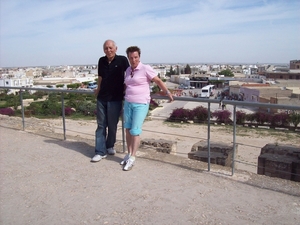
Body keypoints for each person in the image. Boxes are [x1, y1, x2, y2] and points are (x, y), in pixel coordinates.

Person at [121, 46, 174, 171]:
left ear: (139, 57)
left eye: (136, 57)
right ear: (128, 58)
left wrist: (166, 92)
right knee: (127, 129)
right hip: (128, 102)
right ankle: (128, 154)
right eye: (131, 58)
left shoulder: (145, 68)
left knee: (135, 130)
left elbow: (157, 80)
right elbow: (126, 85)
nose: (133, 60)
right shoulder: (128, 70)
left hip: (141, 104)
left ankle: (133, 157)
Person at [91, 40, 130, 162]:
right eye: (106, 48)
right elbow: (100, 77)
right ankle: (100, 151)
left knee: (112, 125)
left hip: (115, 98)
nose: (108, 50)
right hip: (102, 97)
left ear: (116, 48)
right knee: (101, 125)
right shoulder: (101, 60)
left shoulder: (122, 60)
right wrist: (98, 88)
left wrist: (127, 88)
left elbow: (129, 75)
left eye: (110, 48)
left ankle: (110, 145)